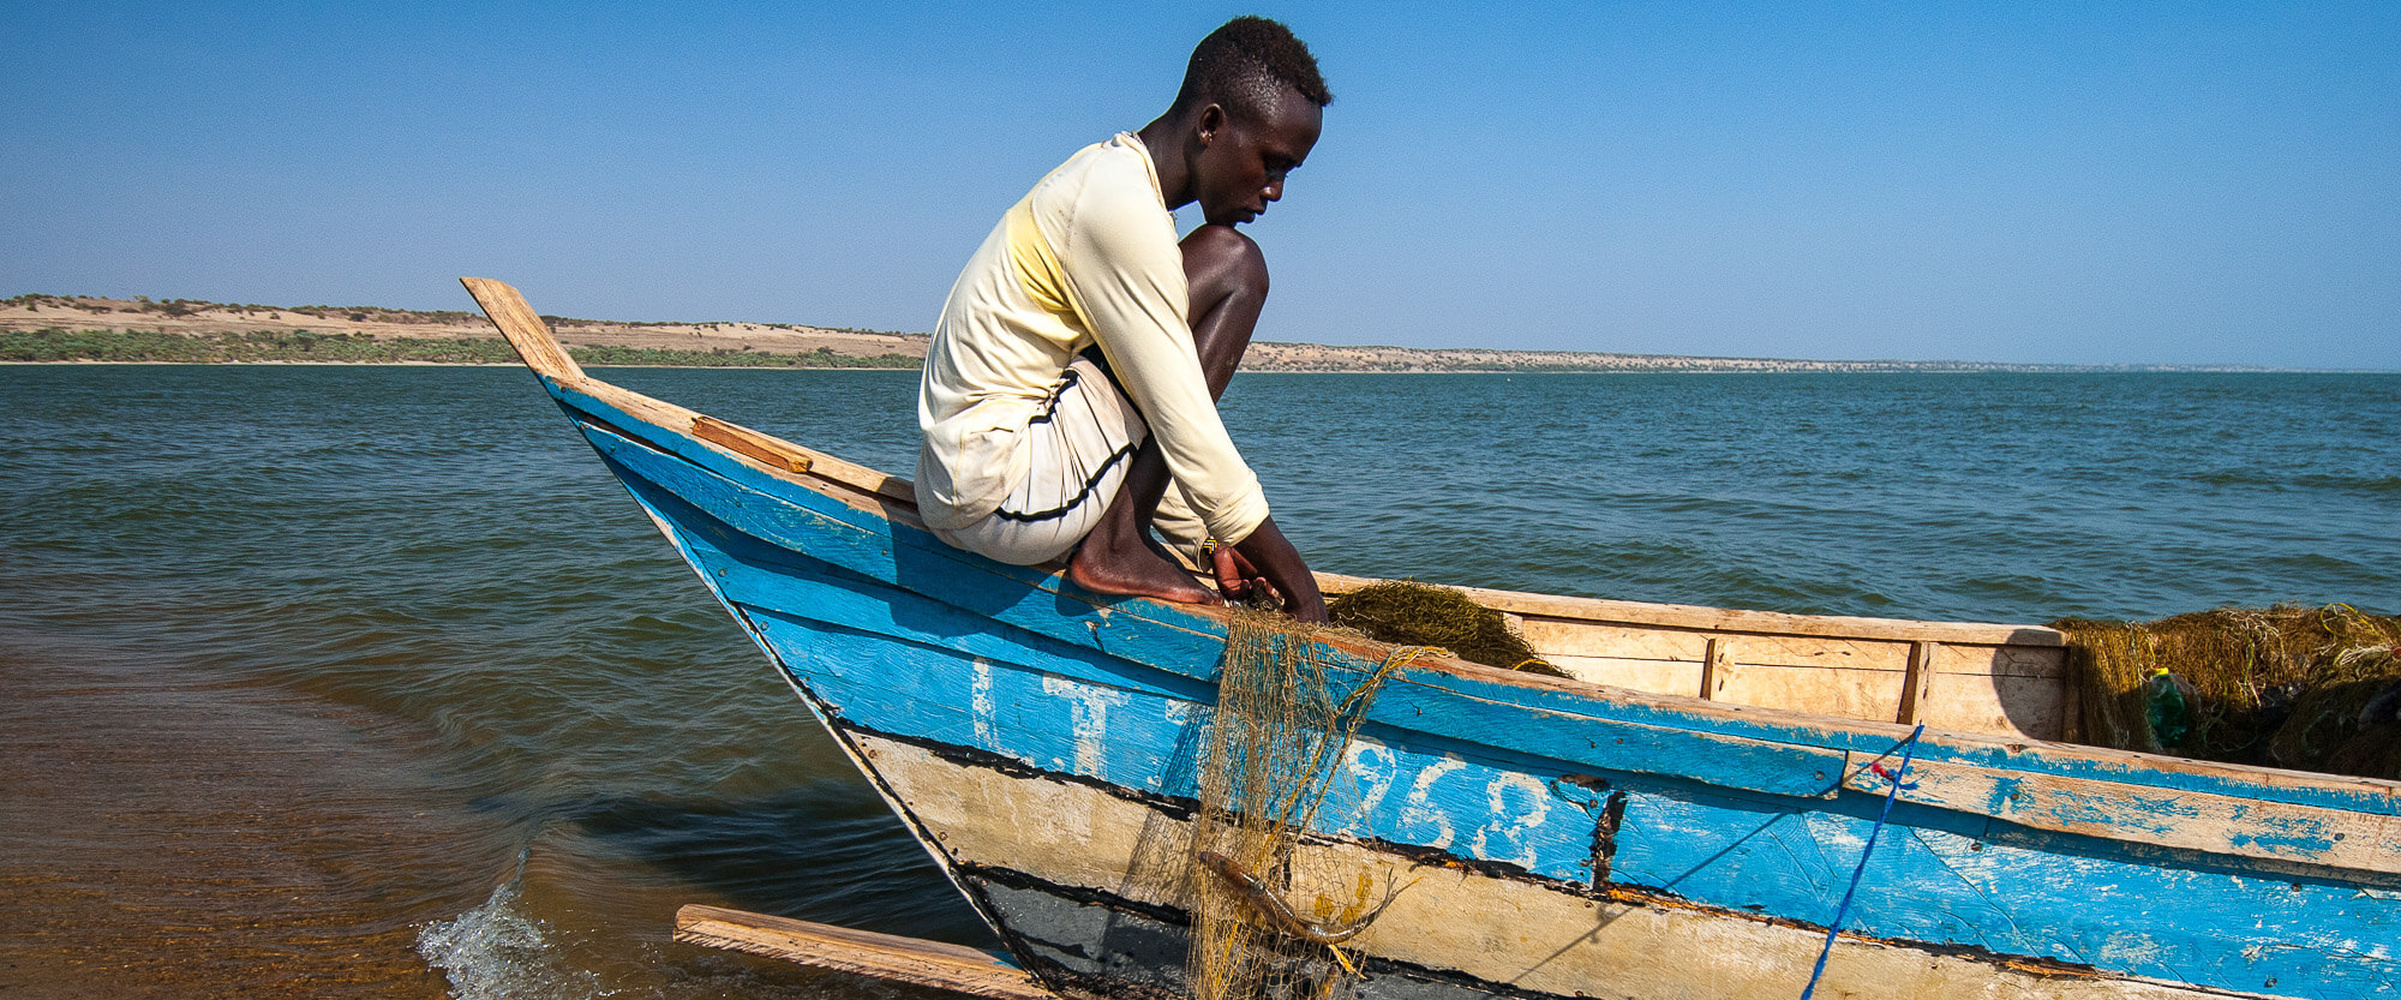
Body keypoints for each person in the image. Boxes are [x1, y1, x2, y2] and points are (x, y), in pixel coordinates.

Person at [914, 15, 1330, 624]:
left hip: (965, 482)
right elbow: (1178, 413)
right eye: (1271, 163)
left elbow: (1129, 404)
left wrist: (1207, 540)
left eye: (1287, 173)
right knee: (1235, 268)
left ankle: (1120, 537)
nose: (1276, 190)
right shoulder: (1120, 210)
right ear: (1211, 125)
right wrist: (1300, 588)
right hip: (998, 496)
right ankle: (1115, 547)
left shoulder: (1107, 180)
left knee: (1216, 270)